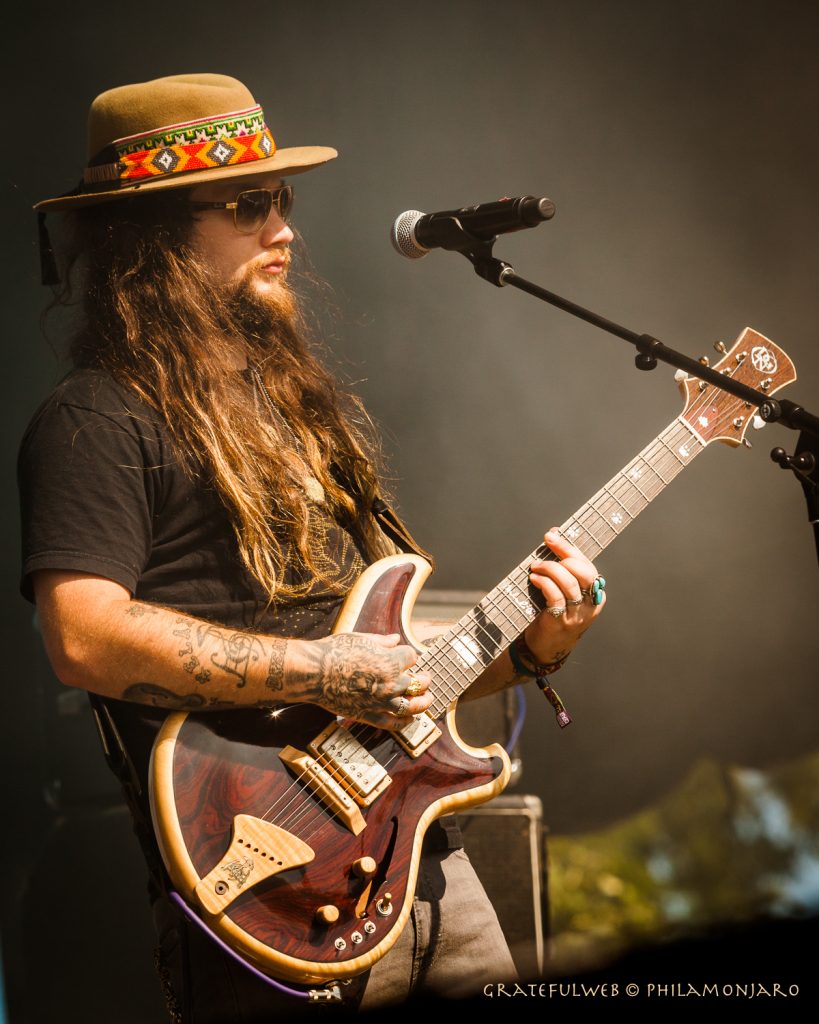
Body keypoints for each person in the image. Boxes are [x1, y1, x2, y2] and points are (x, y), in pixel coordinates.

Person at [19, 73, 606, 1020]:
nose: (283, 229)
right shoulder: (96, 420)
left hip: (426, 875)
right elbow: (82, 636)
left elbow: (393, 679)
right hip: (272, 885)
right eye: (248, 205)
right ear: (152, 235)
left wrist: (537, 649)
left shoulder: (293, 411)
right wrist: (327, 670)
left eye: (281, 200)